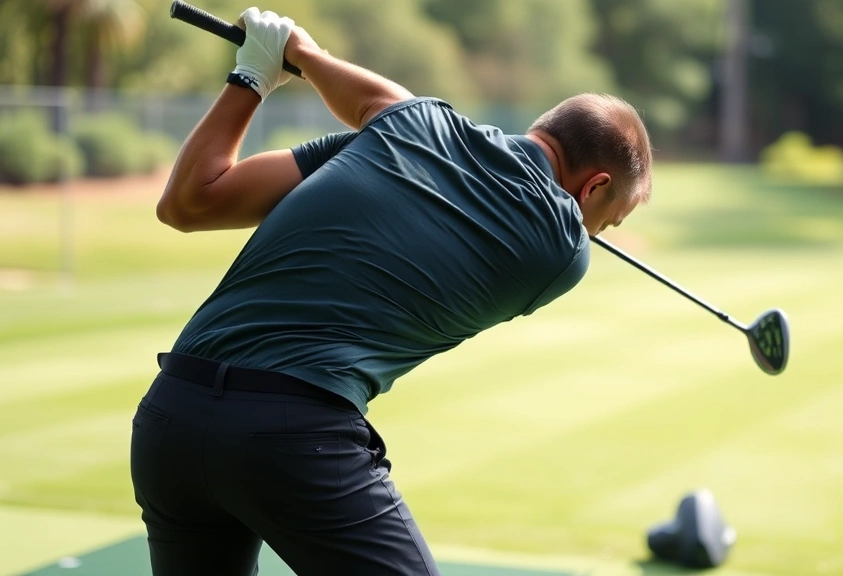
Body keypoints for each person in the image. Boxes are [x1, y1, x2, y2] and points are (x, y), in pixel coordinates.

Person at [130, 7, 653, 576]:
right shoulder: (561, 253)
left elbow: (188, 202)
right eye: (609, 220)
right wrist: (320, 67)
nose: (596, 235)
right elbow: (366, 98)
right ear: (596, 184)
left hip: (169, 420)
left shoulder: (405, 127)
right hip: (289, 436)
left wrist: (260, 70)